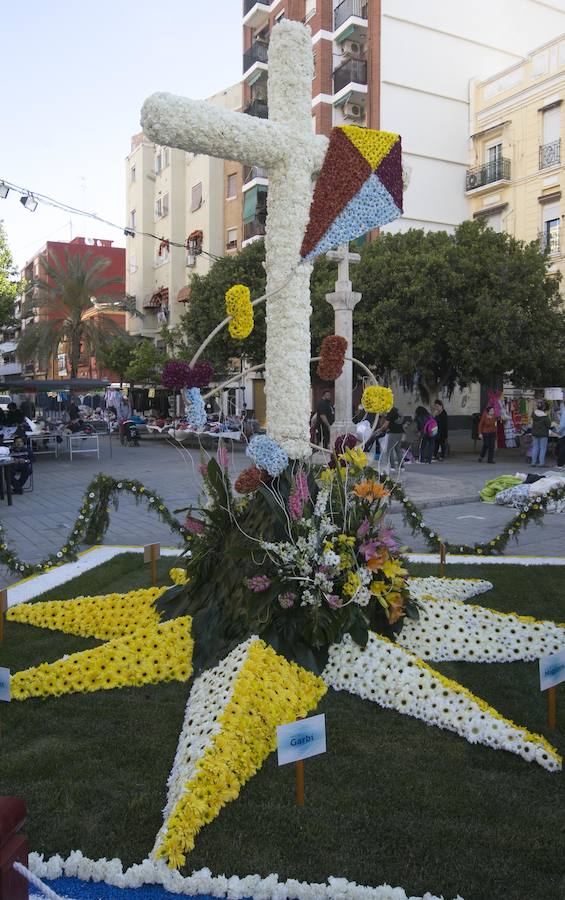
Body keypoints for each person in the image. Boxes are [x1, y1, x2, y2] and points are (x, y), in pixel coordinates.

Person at [530, 401, 551, 467]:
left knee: (535, 447)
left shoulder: (534, 413)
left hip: (534, 432)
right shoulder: (545, 416)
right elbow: (549, 425)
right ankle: (541, 463)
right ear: (544, 408)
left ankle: (533, 463)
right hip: (543, 433)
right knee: (543, 448)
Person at [556, 402, 565, 468]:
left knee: (561, 448)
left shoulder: (564, 411)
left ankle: (561, 464)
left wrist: (558, 432)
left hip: (564, 433)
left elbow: (562, 425)